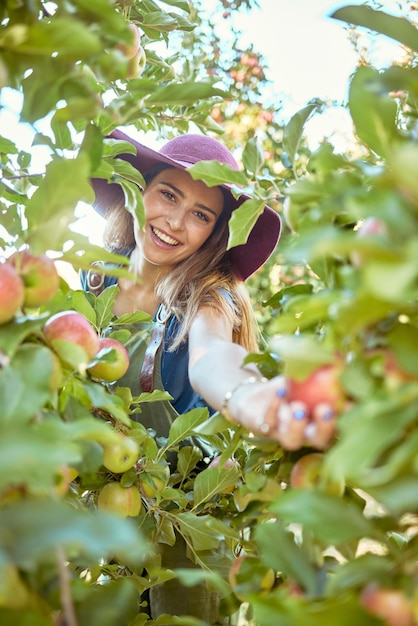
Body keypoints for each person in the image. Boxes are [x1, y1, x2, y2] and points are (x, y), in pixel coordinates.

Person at [83, 128, 337, 622]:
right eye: (168, 194)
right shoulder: (93, 281)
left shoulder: (206, 297)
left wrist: (249, 395)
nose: (175, 222)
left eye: (200, 215)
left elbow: (211, 358)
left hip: (190, 513)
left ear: (216, 233)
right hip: (116, 497)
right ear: (139, 190)